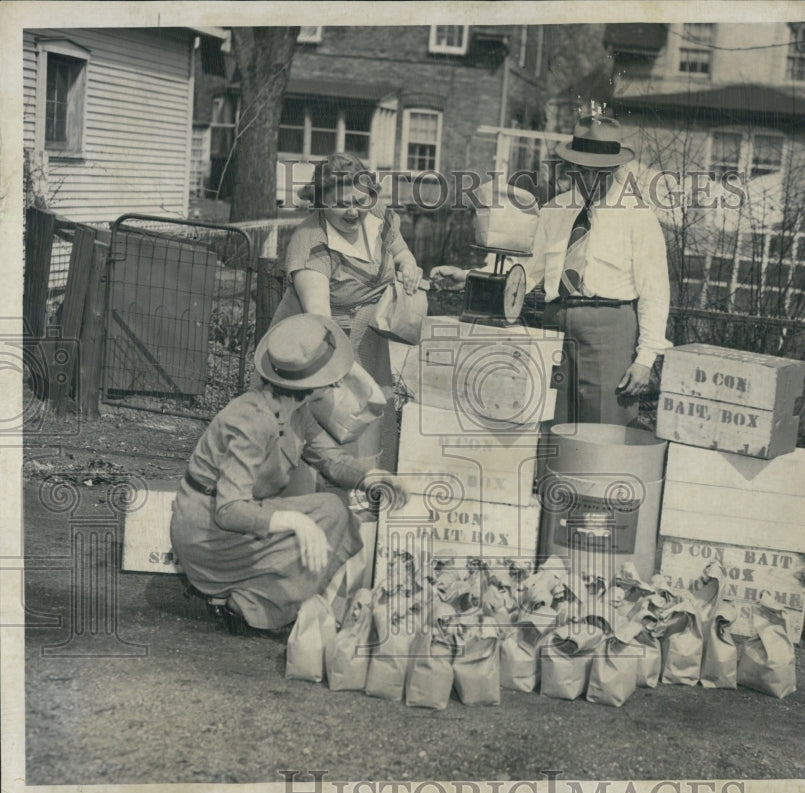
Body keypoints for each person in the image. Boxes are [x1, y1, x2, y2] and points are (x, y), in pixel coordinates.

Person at [170, 314, 408, 633]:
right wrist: (294, 521)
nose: (337, 381)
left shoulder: (297, 410)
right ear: (311, 385)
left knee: (333, 511)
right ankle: (249, 604)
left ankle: (266, 598)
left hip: (237, 520)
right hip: (209, 533)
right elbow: (229, 510)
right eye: (331, 375)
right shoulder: (251, 420)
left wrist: (371, 478)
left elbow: (329, 459)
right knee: (312, 528)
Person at [433, 115, 671, 426]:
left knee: (604, 427)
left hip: (609, 328)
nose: (588, 180)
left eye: (598, 173)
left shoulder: (638, 217)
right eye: (582, 172)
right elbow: (528, 269)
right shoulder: (555, 210)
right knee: (551, 420)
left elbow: (655, 292)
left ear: (614, 169)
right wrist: (469, 277)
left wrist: (645, 360)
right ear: (572, 169)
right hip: (555, 324)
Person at [269, 153, 423, 471]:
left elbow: (400, 250)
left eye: (359, 200)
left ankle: (366, 490)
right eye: (341, 203)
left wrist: (408, 264)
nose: (353, 210)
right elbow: (320, 319)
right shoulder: (312, 242)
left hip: (369, 332)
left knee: (371, 414)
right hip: (320, 342)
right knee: (324, 417)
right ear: (321, 202)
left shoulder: (378, 215)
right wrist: (342, 371)